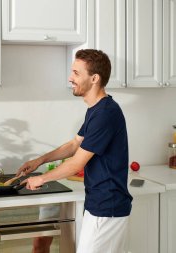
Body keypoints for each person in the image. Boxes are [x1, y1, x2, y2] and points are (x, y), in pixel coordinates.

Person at [17, 49, 133, 253]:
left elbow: (77, 163)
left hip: (108, 207)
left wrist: (41, 179)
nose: (70, 78)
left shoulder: (106, 113)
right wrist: (39, 161)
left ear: (94, 78)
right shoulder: (96, 110)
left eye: (76, 73)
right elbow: (74, 145)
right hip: (100, 204)